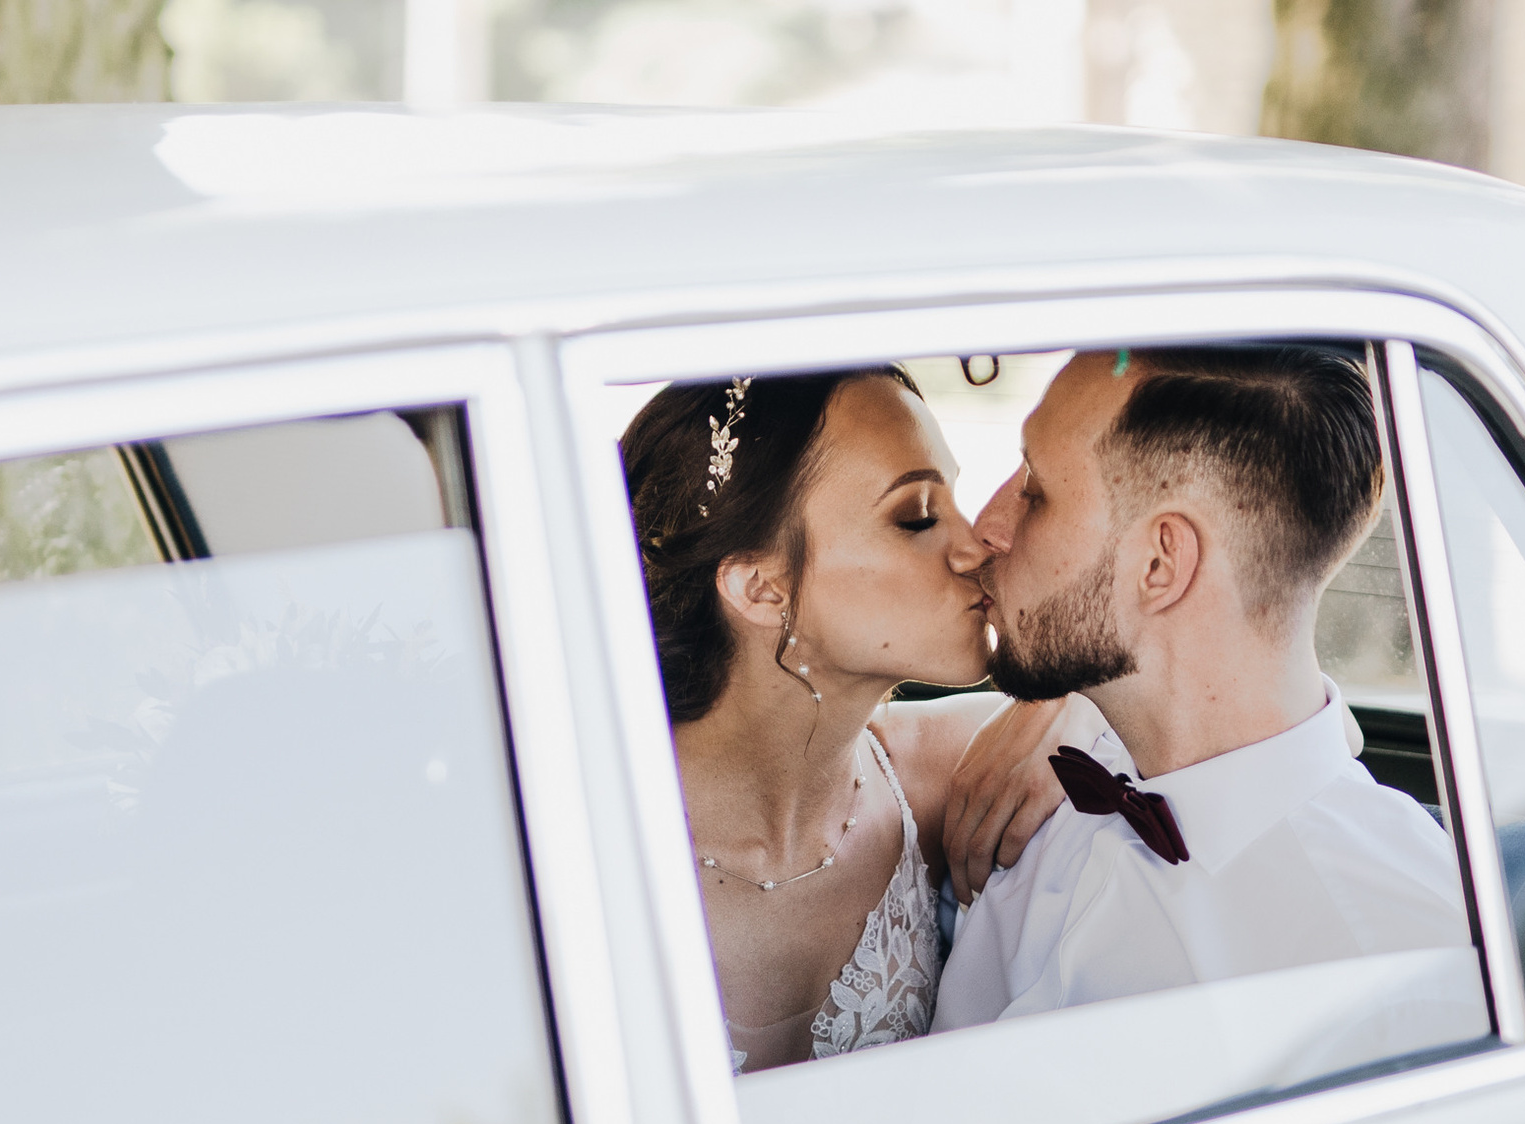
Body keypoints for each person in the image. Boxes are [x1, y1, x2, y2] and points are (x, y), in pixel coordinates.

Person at [933, 344, 1472, 1032]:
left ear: (1161, 563)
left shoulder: (1394, 961)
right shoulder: (1043, 786)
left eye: (1035, 492)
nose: (987, 528)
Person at [622, 367, 1099, 1073]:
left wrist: (1070, 702)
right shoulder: (583, 845)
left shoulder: (955, 775)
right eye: (916, 518)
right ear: (762, 587)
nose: (976, 548)